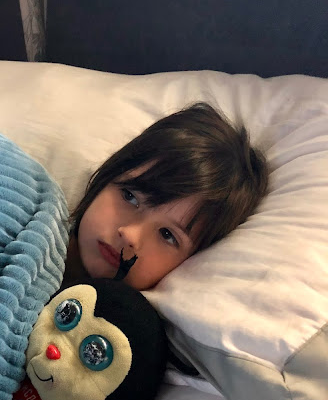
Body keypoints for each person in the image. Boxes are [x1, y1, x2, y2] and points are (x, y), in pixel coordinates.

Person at [63, 102, 268, 291]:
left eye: (167, 235)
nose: (130, 235)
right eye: (130, 196)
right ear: (108, 175)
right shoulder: (45, 216)